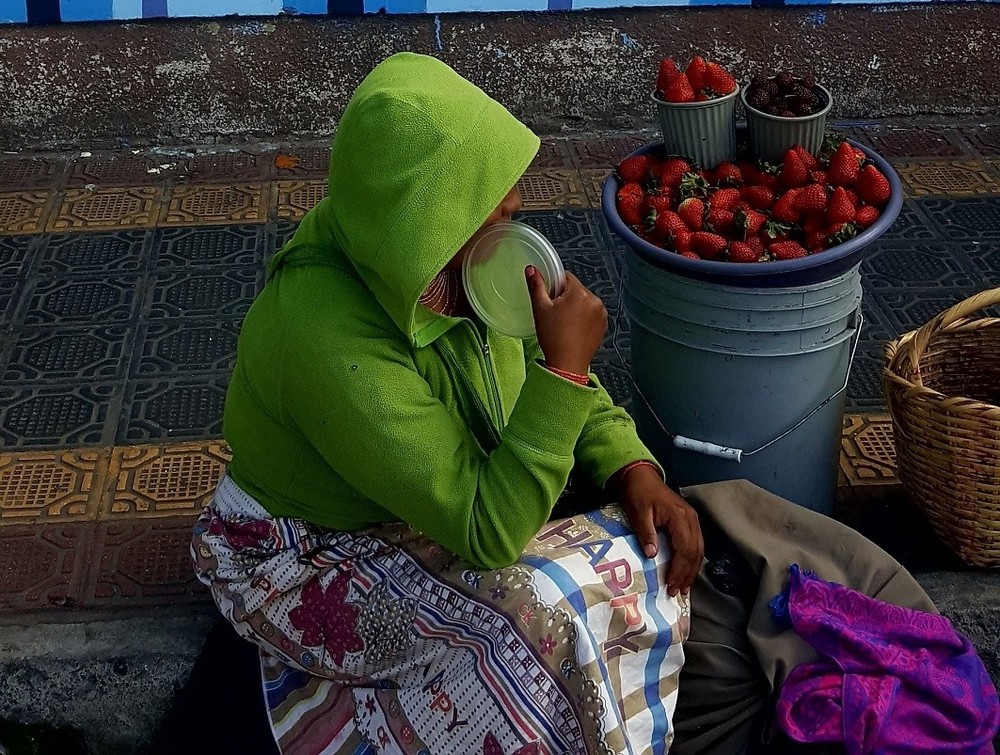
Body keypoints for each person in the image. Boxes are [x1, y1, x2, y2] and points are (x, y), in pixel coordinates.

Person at [192, 52, 942, 754]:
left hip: (441, 503)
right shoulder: (321, 335)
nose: (514, 226)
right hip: (314, 548)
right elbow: (490, 527)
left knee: (623, 558)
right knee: (538, 620)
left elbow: (560, 386)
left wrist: (631, 466)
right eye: (492, 215)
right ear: (426, 230)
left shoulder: (438, 267)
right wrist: (563, 370)